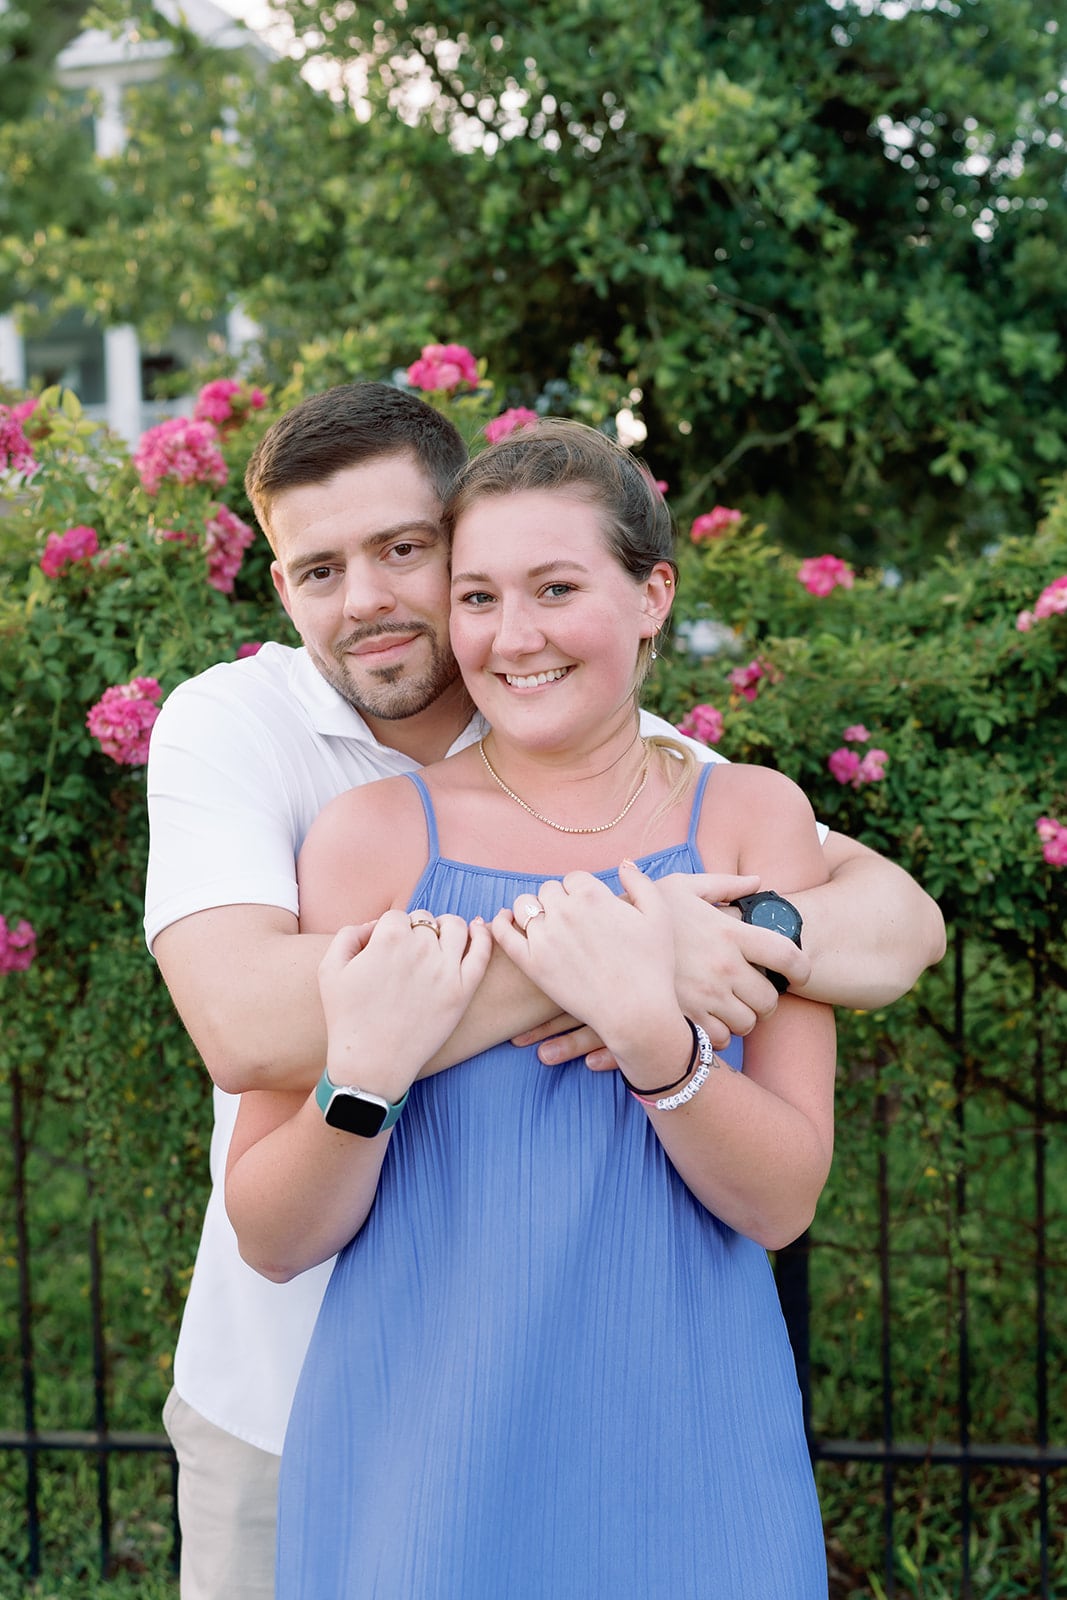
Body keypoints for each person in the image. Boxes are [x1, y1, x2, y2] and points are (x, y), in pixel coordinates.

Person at [145, 384, 945, 1600]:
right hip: (338, 1406)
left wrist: (678, 998)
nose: (369, 598)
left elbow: (895, 926)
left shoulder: (694, 783)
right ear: (282, 587)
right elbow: (243, 1030)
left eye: (406, 552)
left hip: (681, 1439)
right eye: (320, 567)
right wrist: (609, 952)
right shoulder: (262, 748)